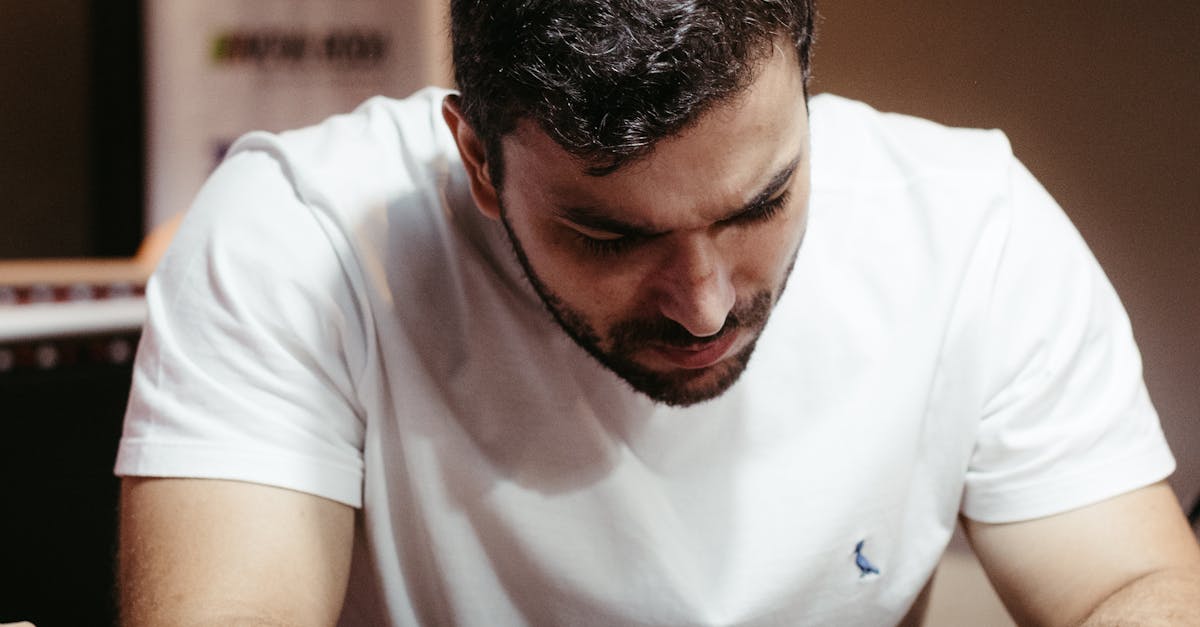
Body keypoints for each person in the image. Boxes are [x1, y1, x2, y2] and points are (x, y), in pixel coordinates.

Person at [114, 1, 1200, 625]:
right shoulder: (297, 237)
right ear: (478, 161)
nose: (705, 305)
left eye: (760, 203)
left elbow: (1135, 580)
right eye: (610, 236)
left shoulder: (969, 225)